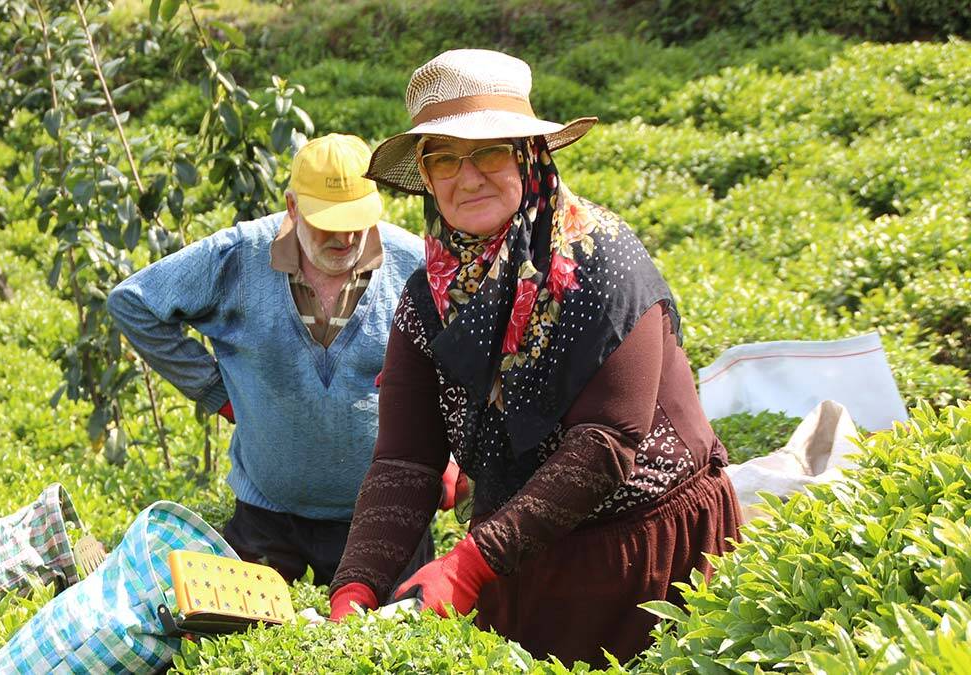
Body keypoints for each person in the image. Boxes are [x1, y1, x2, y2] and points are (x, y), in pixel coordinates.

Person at [327, 50, 742, 666]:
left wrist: (469, 564)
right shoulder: (428, 297)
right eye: (445, 158)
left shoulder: (601, 260)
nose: (468, 177)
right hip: (517, 554)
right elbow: (405, 460)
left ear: (529, 155)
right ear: (427, 177)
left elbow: (606, 442)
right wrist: (356, 585)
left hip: (645, 557)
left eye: (490, 152)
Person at [107, 133, 441, 586]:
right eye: (328, 222)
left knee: (396, 624)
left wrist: (449, 450)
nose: (345, 238)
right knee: (238, 622)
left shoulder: (416, 265)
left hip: (386, 516)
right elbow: (133, 302)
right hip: (268, 516)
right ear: (292, 207)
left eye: (356, 221)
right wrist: (217, 393)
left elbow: (459, 362)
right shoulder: (239, 256)